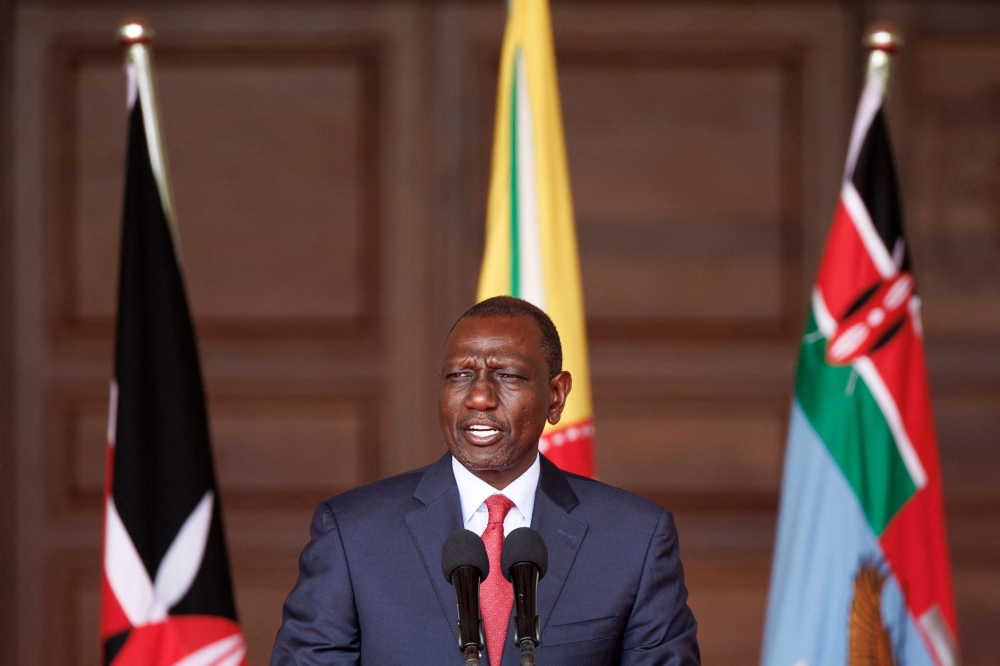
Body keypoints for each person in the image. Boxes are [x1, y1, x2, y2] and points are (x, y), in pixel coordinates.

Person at [270, 296, 699, 665]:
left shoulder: (635, 539)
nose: (478, 397)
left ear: (555, 396)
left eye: (507, 375)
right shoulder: (352, 533)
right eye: (460, 375)